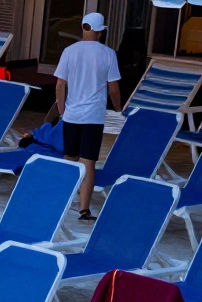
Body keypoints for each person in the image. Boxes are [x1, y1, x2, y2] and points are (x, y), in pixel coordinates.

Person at [55, 11, 122, 221]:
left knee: (69, 160)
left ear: (83, 28)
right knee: (88, 164)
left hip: (71, 115)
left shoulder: (69, 51)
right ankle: (84, 210)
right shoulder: (108, 54)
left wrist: (61, 110)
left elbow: (60, 84)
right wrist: (118, 109)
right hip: (93, 117)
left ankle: (62, 203)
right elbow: (113, 89)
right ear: (101, 32)